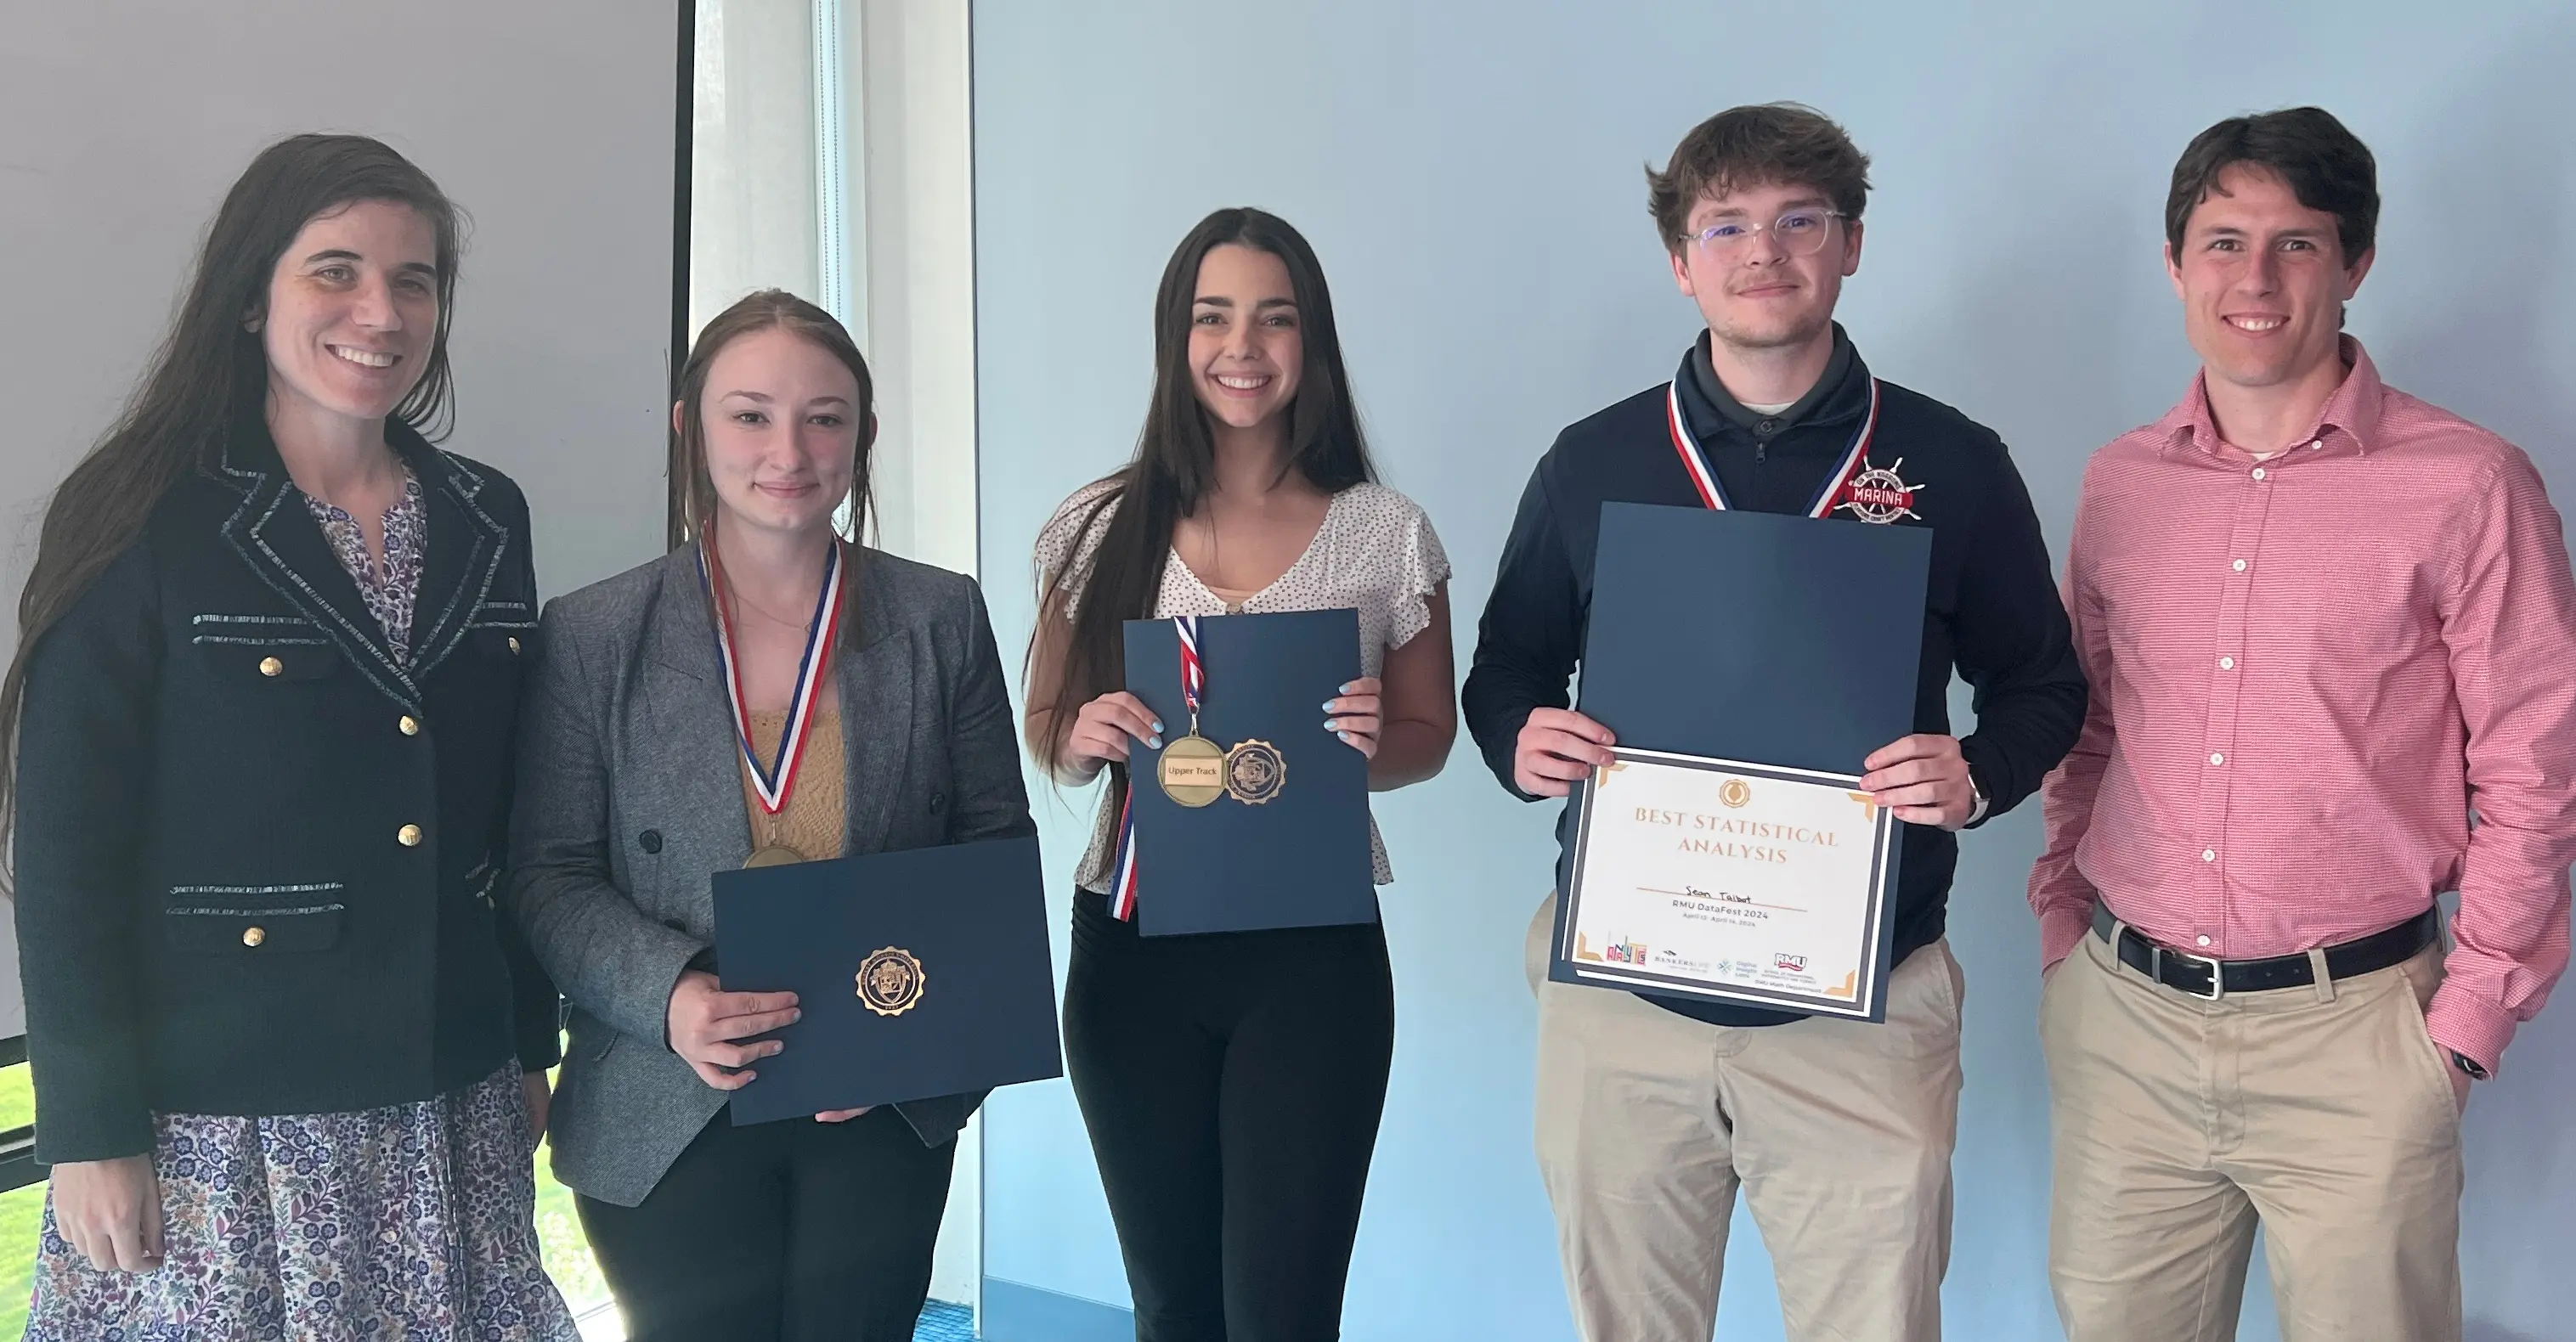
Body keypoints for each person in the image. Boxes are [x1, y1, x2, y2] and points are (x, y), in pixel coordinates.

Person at [1462, 103, 2087, 1341]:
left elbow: (2046, 688)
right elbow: (1507, 665)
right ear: (1681, 260)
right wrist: (1520, 740)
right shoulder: (1595, 463)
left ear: (1851, 244)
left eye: (1802, 220)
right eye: (1728, 224)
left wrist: (1974, 774)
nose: (1766, 251)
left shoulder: (1947, 463)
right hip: (1624, 1004)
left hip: (1862, 1006)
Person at [3, 133, 573, 1339]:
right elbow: (63, 851)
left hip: (447, 1090)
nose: (381, 310)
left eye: (414, 280)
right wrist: (90, 1126)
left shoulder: (485, 512)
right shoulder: (141, 511)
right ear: (251, 292)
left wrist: (528, 1037)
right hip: (223, 1116)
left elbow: (508, 818)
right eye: (336, 271)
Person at [2028, 106, 2576, 1342]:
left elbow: (2538, 773)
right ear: (2176, 267)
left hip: (2359, 1043)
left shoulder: (2470, 484)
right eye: (2223, 242)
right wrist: (2063, 931)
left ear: (2355, 264)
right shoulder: (2122, 483)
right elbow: (2091, 731)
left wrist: (2466, 1026)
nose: (2255, 280)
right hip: (2127, 1028)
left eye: (2296, 244)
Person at [508, 289, 1034, 1341]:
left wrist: (914, 1046)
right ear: (688, 427)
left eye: (824, 416)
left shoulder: (940, 615)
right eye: (749, 413)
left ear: (862, 435)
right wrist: (669, 997)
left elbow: (996, 853)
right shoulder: (593, 632)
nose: (787, 448)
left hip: (878, 1090)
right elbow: (545, 871)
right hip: (665, 1095)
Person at [1023, 206, 1456, 1340]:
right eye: (1213, 318)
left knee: (1285, 1313)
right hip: (1131, 952)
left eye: (1276, 317)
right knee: (1173, 1308)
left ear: (1310, 341)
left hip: (1311, 956)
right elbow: (1045, 722)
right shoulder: (1096, 524)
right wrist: (1084, 733)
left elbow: (1429, 737)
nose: (1244, 347)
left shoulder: (1385, 531)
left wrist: (1373, 741)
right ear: (1176, 339)